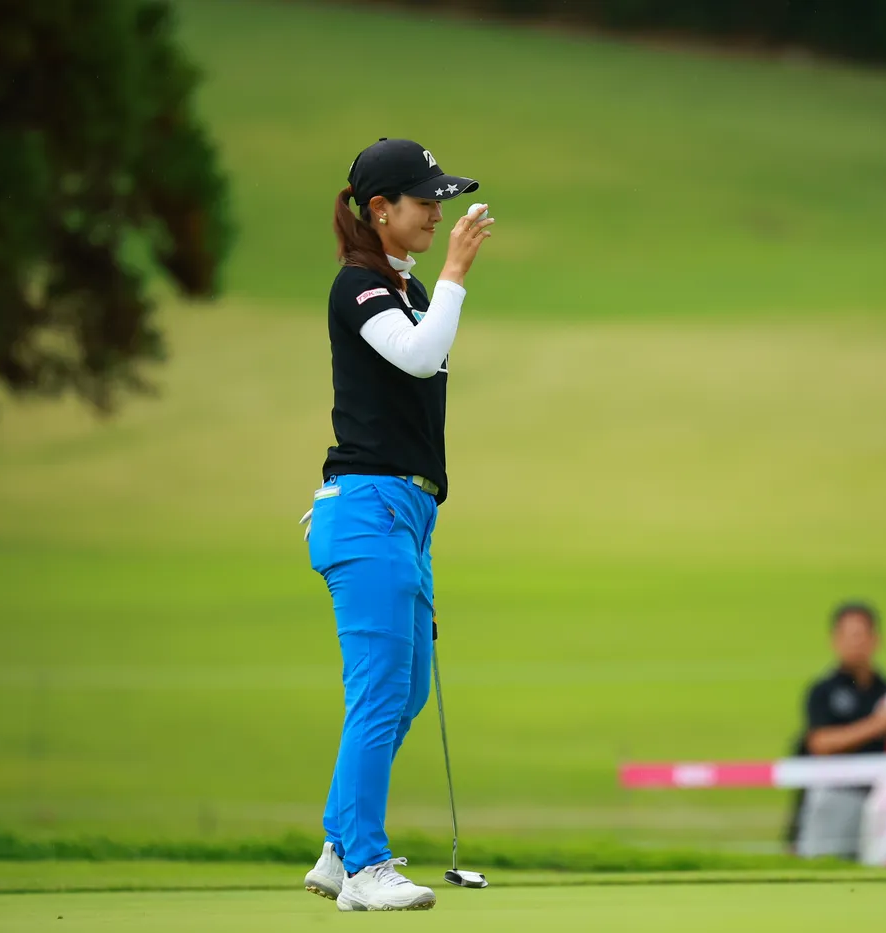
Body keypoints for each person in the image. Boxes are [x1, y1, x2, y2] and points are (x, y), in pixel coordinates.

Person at [298, 138, 493, 912]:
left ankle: (338, 847)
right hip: (369, 511)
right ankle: (365, 867)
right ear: (379, 210)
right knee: (379, 692)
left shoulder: (400, 286)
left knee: (405, 691)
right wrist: (455, 273)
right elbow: (417, 356)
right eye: (423, 202)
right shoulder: (358, 286)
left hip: (404, 516)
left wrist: (435, 282)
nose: (437, 214)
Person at [792, 602, 886, 860]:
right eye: (848, 635)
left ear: (875, 639)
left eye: (860, 635)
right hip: (837, 796)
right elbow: (820, 743)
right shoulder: (823, 691)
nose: (855, 643)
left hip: (884, 800)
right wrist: (878, 724)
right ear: (834, 640)